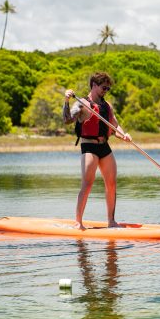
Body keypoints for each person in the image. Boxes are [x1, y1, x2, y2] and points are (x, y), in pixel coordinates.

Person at [63, 72, 132, 230]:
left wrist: (124, 135)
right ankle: (78, 222)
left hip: (104, 147)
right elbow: (67, 120)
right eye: (103, 87)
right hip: (89, 146)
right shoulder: (81, 104)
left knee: (112, 183)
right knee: (87, 184)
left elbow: (115, 126)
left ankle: (111, 221)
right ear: (94, 85)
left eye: (108, 88)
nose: (106, 91)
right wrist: (66, 100)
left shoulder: (107, 106)